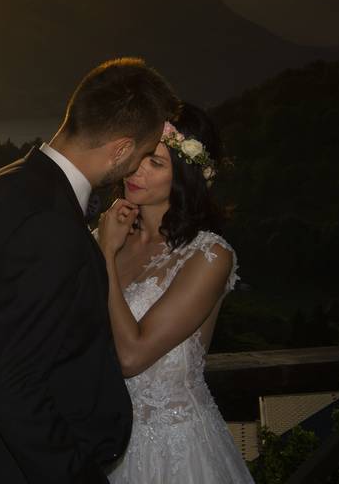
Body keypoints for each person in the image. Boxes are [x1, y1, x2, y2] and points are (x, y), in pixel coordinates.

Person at [0, 57, 180, 483]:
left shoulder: (6, 180)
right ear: (121, 148)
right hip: (19, 470)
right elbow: (13, 384)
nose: (138, 165)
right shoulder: (51, 225)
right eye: (141, 153)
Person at [96, 103, 253, 483]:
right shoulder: (106, 237)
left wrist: (103, 255)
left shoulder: (209, 255)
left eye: (156, 162)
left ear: (184, 176)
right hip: (99, 442)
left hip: (175, 453)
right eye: (139, 155)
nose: (135, 169)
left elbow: (132, 356)